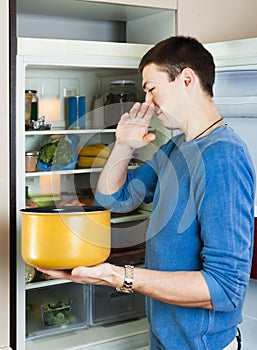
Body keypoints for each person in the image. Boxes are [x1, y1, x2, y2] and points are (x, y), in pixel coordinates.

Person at [39, 36, 255, 350]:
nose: (148, 102)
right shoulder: (177, 147)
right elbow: (113, 200)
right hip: (164, 340)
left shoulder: (223, 156)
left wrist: (120, 277)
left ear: (186, 79)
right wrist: (124, 146)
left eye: (151, 88)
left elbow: (224, 288)